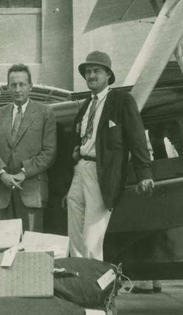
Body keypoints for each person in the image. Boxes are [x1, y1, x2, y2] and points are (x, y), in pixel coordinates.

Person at [65, 51, 154, 261]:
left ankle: (95, 288)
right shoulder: (87, 104)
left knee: (92, 238)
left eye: (96, 71)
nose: (91, 76)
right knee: (74, 236)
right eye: (88, 72)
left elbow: (137, 138)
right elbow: (80, 138)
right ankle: (79, 283)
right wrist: (76, 150)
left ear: (108, 75)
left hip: (102, 173)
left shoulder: (121, 100)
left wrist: (144, 173)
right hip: (80, 170)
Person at [0, 63, 57, 233]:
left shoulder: (44, 113)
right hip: (1, 191)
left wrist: (23, 173)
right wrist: (2, 174)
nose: (18, 89)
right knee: (2, 246)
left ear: (30, 86)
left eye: (22, 84)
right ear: (8, 87)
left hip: (31, 190)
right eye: (13, 84)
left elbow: (49, 152)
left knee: (30, 249)